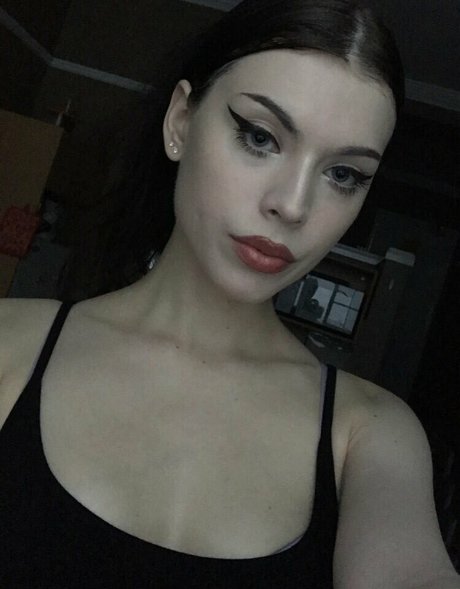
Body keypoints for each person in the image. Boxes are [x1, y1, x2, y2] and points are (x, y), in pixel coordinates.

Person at [0, 0, 458, 587]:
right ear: (180, 123)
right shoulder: (9, 347)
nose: (292, 205)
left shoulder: (370, 434)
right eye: (260, 137)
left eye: (343, 174)